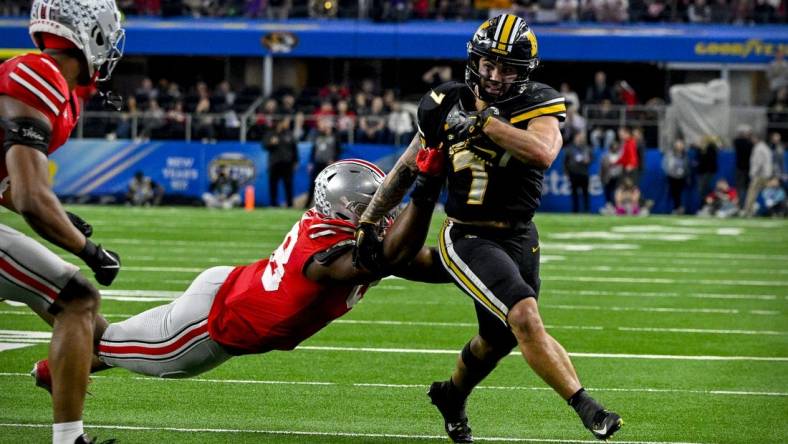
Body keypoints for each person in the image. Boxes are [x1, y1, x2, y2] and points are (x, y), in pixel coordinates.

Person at [353, 14, 621, 443]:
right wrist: (369, 218)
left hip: (519, 236)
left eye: (508, 68)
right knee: (524, 317)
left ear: (525, 72)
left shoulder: (538, 103)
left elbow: (542, 152)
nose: (495, 76)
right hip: (467, 234)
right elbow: (405, 169)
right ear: (473, 60)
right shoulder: (443, 102)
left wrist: (484, 124)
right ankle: (588, 407)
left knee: (496, 341)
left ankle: (451, 396)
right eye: (488, 64)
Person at [32, 158, 446, 404]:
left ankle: (56, 368)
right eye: (371, 208)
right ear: (345, 211)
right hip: (205, 331)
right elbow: (387, 256)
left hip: (228, 290)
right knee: (97, 335)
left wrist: (484, 269)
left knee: (117, 341)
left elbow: (420, 261)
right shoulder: (331, 251)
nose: (385, 215)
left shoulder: (336, 229)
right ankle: (32, 281)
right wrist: (427, 185)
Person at [0, 1, 124, 442]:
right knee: (78, 298)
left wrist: (59, 215)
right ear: (91, 33)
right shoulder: (39, 75)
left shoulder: (42, 79)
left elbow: (11, 188)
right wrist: (90, 252)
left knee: (93, 325)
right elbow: (32, 197)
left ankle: (59, 377)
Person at [304, 118, 341, 208]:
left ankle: (326, 206)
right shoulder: (317, 136)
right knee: (313, 184)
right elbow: (313, 151)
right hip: (317, 163)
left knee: (328, 186)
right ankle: (307, 204)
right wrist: (310, 163)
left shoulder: (335, 137)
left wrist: (333, 159)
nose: (325, 126)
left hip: (328, 165)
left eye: (326, 124)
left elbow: (338, 150)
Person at [264, 116, 298, 207]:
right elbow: (264, 146)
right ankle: (273, 204)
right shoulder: (271, 134)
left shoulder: (289, 134)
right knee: (273, 185)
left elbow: (294, 149)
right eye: (285, 122)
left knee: (288, 185)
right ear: (280, 123)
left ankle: (290, 204)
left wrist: (296, 161)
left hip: (287, 163)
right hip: (275, 163)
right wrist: (271, 143)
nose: (287, 124)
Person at [563, 132, 592, 213]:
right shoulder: (570, 148)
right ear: (575, 138)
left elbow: (592, 158)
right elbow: (565, 161)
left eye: (582, 137)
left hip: (584, 173)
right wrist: (566, 172)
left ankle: (586, 210)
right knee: (574, 193)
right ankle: (575, 210)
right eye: (579, 137)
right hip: (573, 174)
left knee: (585, 193)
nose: (580, 139)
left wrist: (588, 161)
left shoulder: (586, 148)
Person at [662, 138, 689, 214]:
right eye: (678, 145)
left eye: (681, 145)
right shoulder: (670, 154)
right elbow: (665, 164)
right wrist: (668, 172)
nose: (679, 146)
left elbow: (686, 165)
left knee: (678, 193)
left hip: (681, 177)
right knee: (672, 193)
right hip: (672, 176)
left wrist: (685, 173)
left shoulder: (685, 155)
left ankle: (678, 208)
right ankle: (673, 208)